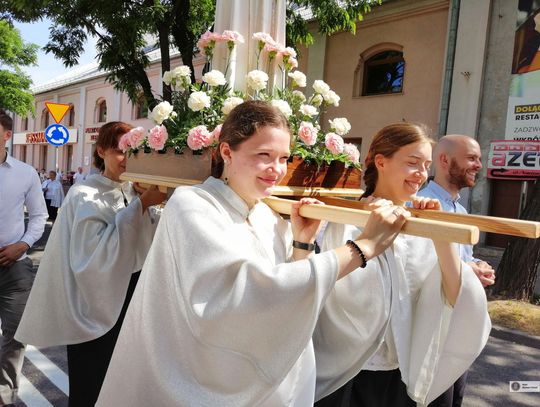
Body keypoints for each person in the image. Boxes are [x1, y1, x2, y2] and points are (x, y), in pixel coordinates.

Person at [96, 101, 409, 406]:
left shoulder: (266, 215)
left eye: (284, 158)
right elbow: (244, 293)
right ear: (227, 152)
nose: (276, 170)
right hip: (203, 379)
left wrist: (301, 244)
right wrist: (363, 247)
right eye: (264, 156)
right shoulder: (192, 204)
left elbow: (284, 299)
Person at [313, 123, 491, 406]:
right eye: (412, 163)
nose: (421, 174)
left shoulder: (421, 225)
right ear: (381, 161)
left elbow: (457, 295)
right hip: (346, 373)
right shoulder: (341, 221)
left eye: (426, 165)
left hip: (400, 375)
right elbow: (318, 291)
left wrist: (438, 231)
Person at [15, 121, 167, 407]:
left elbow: (149, 241)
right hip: (95, 299)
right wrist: (142, 206)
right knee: (92, 383)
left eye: (133, 152)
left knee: (124, 382)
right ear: (101, 151)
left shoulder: (134, 191)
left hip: (132, 295)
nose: (126, 159)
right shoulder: (85, 193)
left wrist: (150, 205)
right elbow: (91, 257)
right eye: (120, 151)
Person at [417, 134, 495, 407]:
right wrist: (465, 270)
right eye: (472, 158)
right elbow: (416, 264)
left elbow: (463, 257)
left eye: (479, 159)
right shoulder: (419, 205)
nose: (479, 166)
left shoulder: (460, 210)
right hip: (431, 328)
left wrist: (476, 266)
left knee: (453, 398)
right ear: (444, 160)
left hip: (457, 325)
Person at [0, 109, 48, 405]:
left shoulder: (25, 173)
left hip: (15, 269)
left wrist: (24, 244)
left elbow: (40, 215)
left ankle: (4, 396)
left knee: (16, 336)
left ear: (6, 135)